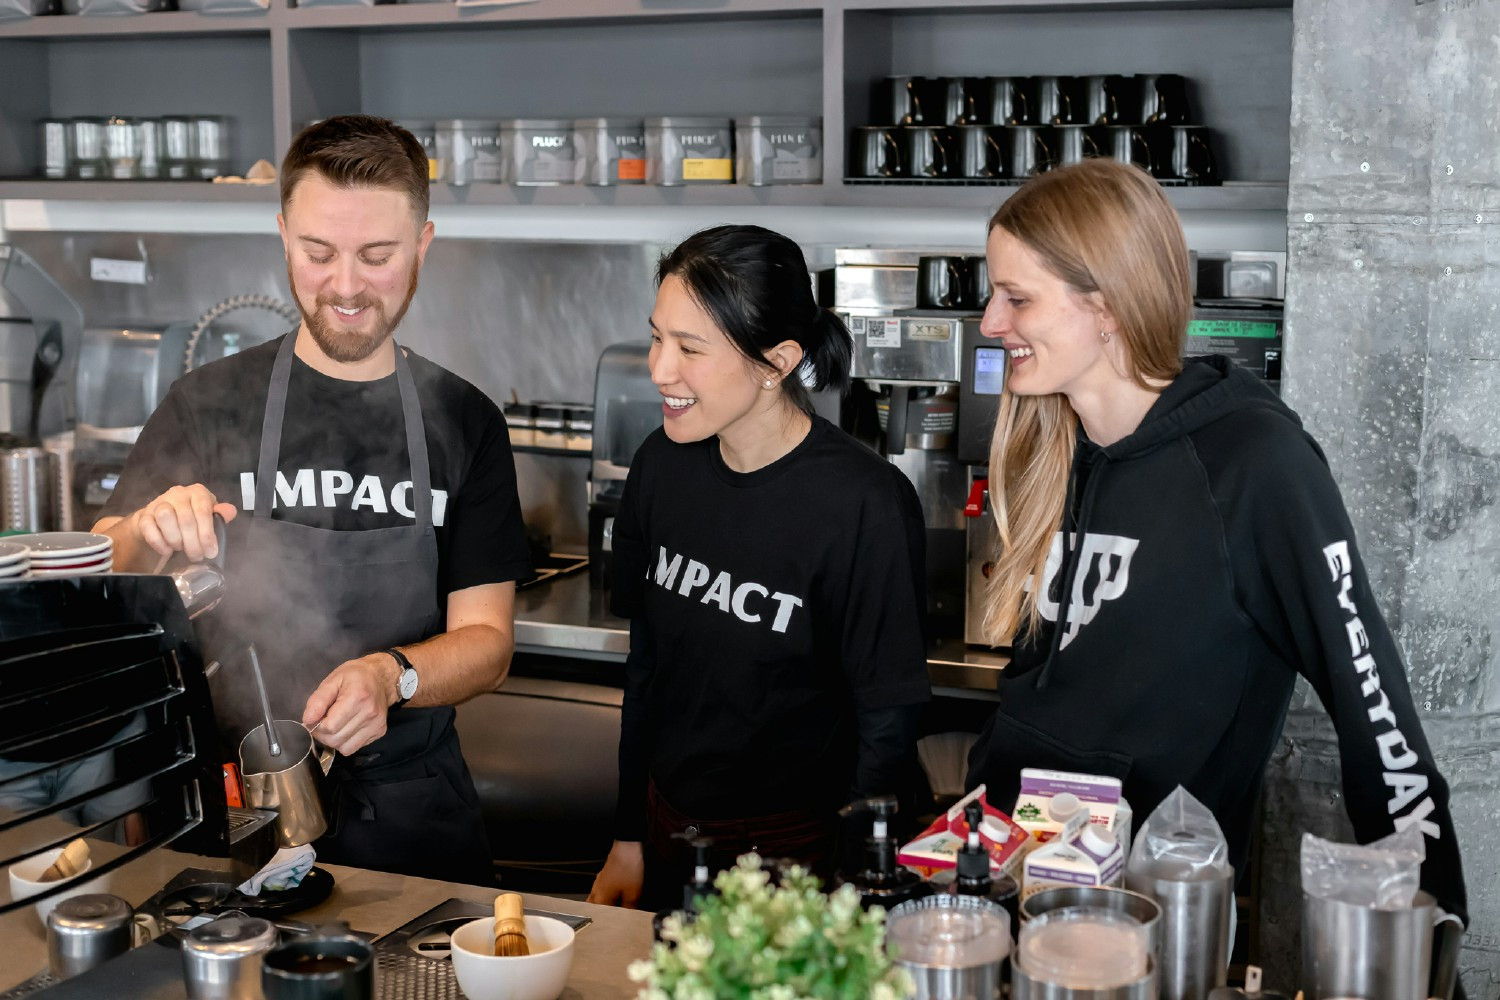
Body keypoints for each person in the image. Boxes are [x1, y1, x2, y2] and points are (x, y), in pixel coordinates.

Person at [964, 159, 1468, 928]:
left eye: (1017, 297)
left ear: (1105, 305)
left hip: (1155, 910)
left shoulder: (1253, 463)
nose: (991, 323)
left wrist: (1433, 932)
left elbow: (1373, 709)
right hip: (1013, 875)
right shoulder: (1049, 443)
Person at [93, 116, 531, 886]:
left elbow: (488, 641)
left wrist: (392, 675)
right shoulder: (209, 401)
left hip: (410, 823)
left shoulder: (465, 422)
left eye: (378, 256)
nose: (347, 286)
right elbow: (109, 565)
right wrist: (145, 529)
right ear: (283, 235)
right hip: (230, 814)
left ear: (423, 244)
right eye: (318, 252)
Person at [586, 225, 932, 911]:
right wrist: (628, 835)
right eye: (658, 337)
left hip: (794, 852)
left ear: (777, 362)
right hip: (668, 830)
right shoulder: (661, 464)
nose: (659, 369)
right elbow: (648, 666)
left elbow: (886, 721)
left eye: (690, 348)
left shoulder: (863, 503)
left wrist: (851, 891)